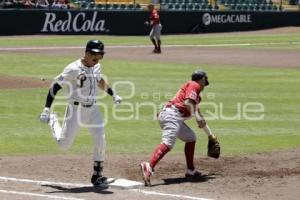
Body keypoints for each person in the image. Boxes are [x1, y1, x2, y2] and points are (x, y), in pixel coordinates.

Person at [39, 40, 122, 188]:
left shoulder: (96, 66)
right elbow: (55, 86)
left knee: (100, 138)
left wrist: (113, 94)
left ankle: (97, 176)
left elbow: (99, 80)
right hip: (75, 110)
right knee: (64, 145)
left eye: (101, 55)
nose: (99, 58)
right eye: (96, 54)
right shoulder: (72, 69)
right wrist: (46, 108)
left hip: (93, 109)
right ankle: (53, 119)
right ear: (87, 53)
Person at [140, 69, 218, 186]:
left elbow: (200, 118)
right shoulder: (194, 84)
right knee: (168, 143)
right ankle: (149, 166)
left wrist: (210, 135)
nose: (204, 86)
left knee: (191, 138)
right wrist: (197, 116)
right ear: (201, 79)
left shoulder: (196, 98)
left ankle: (190, 170)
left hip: (174, 117)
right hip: (171, 115)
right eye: (204, 81)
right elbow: (187, 103)